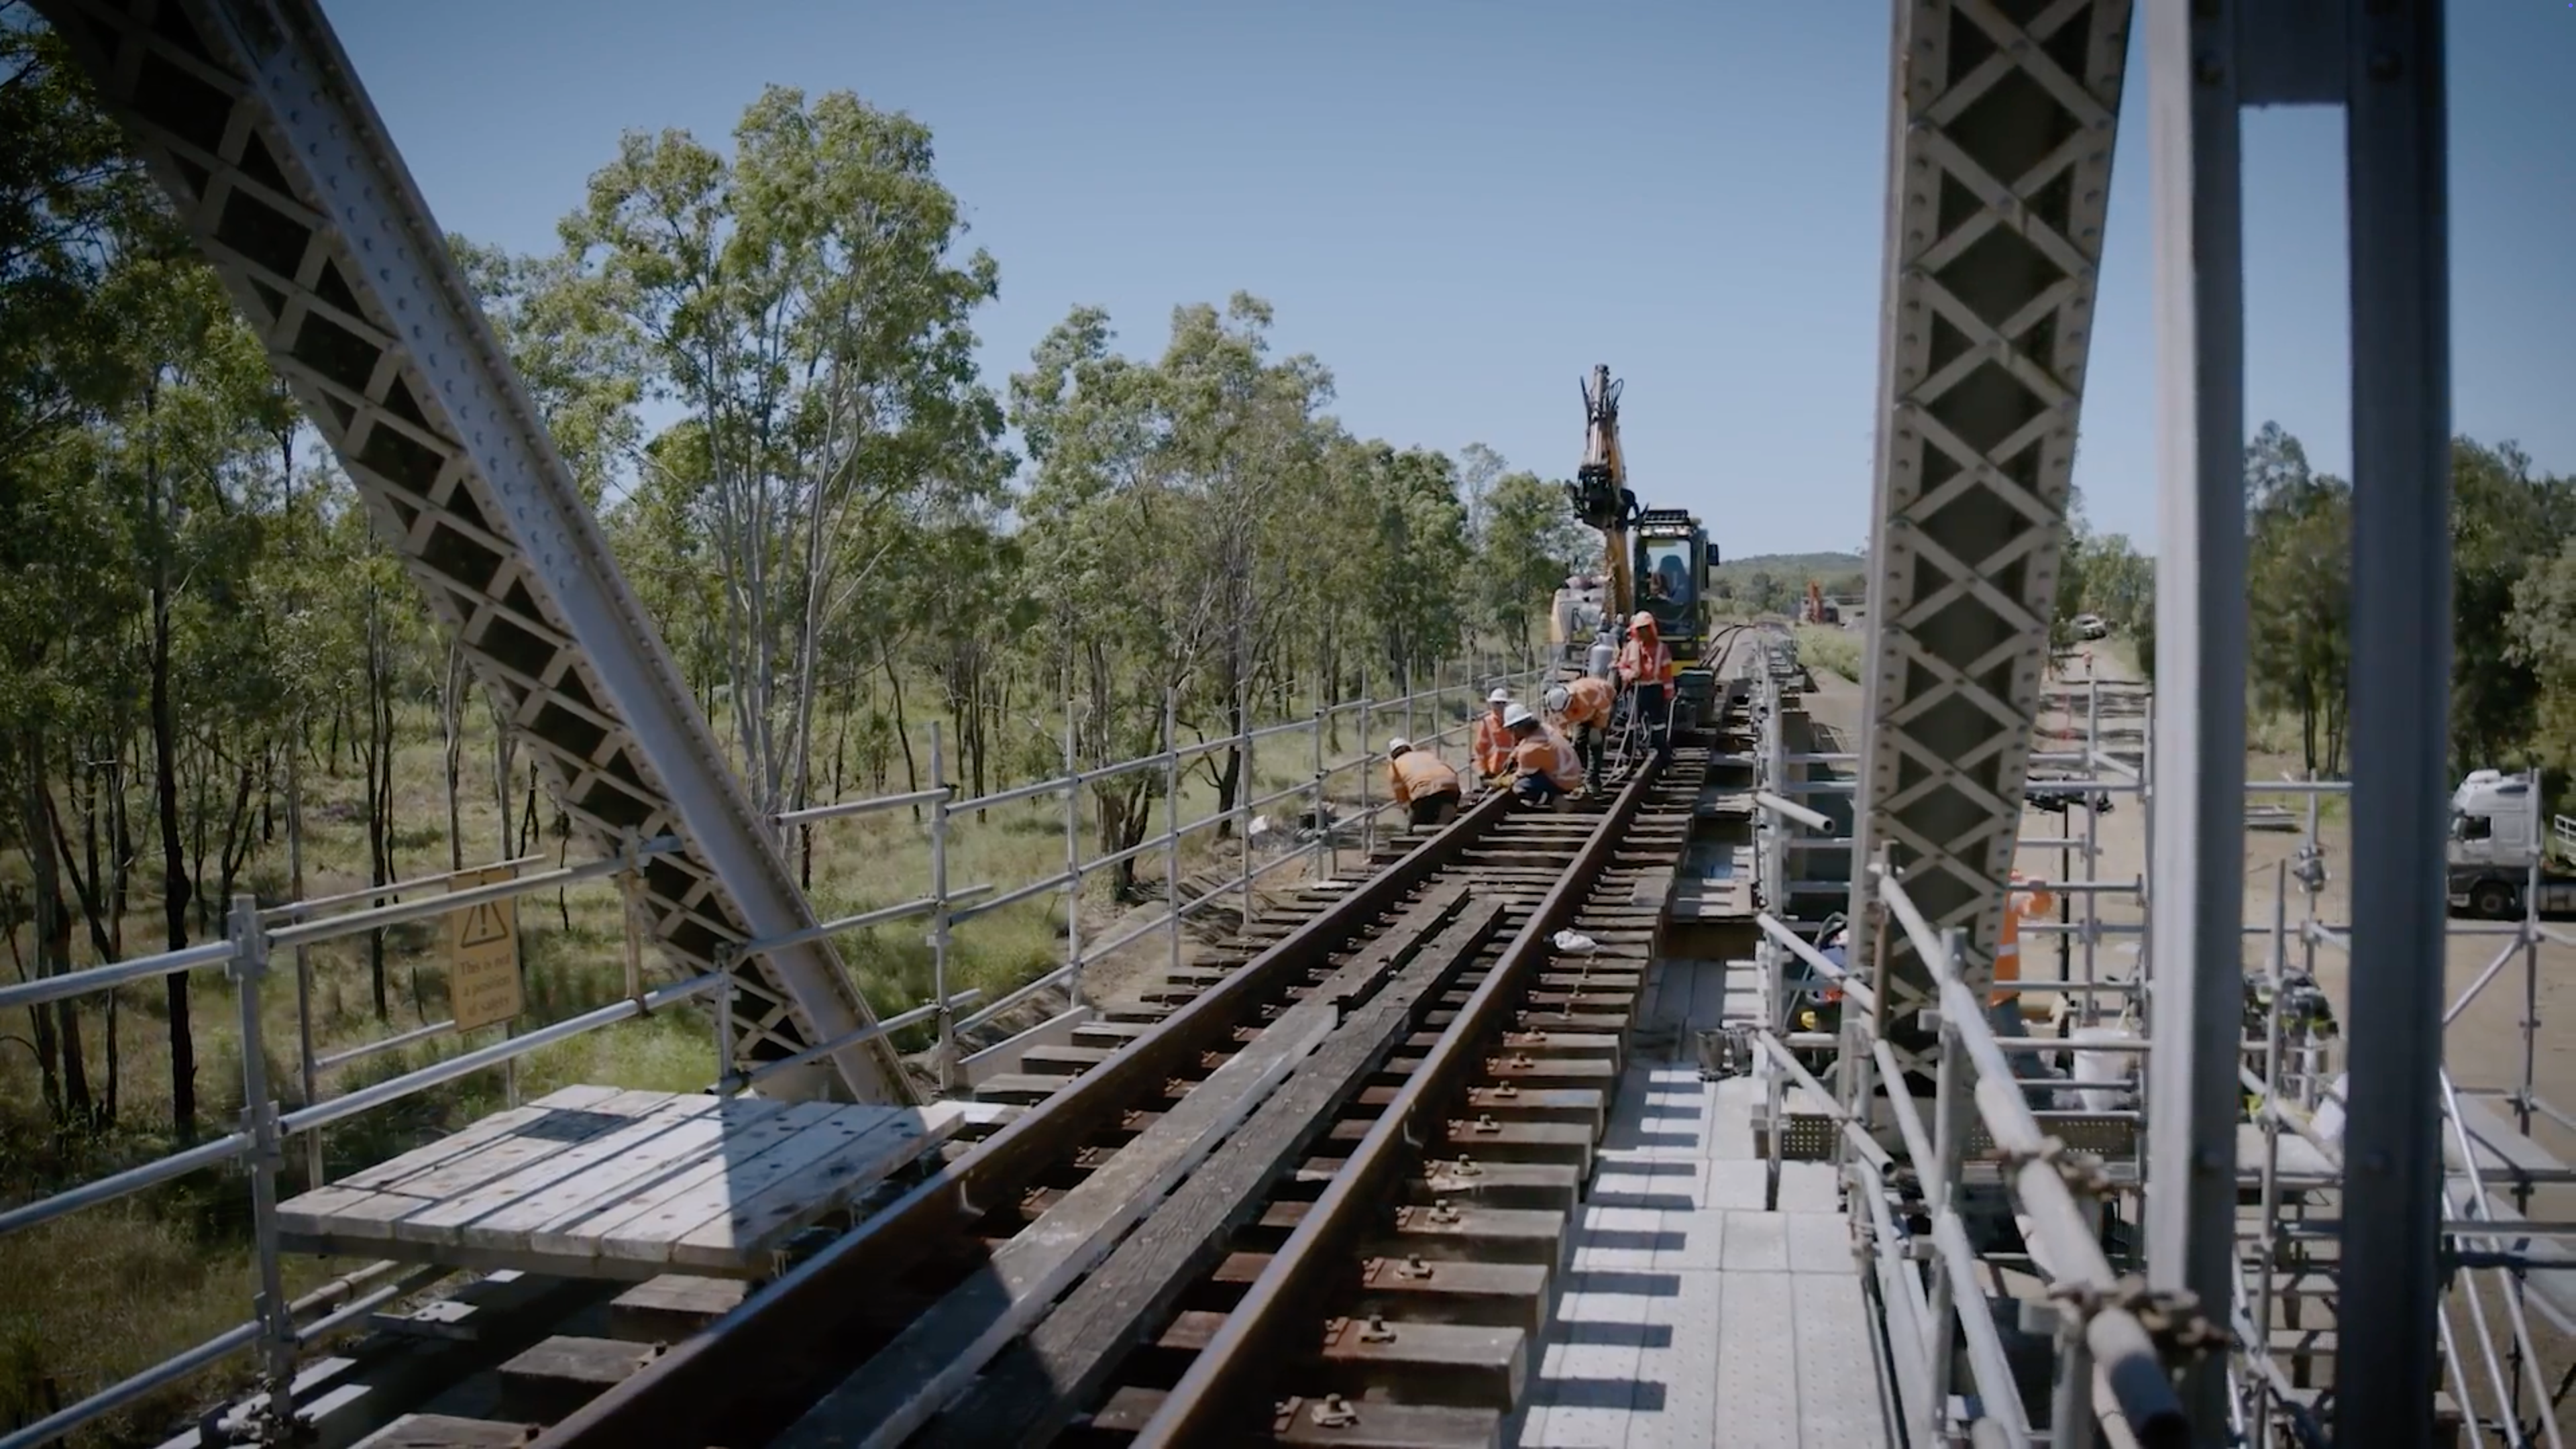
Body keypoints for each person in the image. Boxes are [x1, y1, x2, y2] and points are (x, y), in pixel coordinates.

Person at [1617, 610, 1676, 761]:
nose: (1643, 632)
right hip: (1635, 690)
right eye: (1640, 629)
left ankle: (1665, 761)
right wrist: (1630, 675)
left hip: (1654, 689)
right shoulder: (1631, 647)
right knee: (1631, 725)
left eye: (1646, 628)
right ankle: (1627, 759)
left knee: (1658, 726)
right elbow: (1622, 667)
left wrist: (1669, 694)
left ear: (1652, 629)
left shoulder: (1662, 649)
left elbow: (1667, 674)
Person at [1503, 705, 1581, 809]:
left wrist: (1502, 781)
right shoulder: (1543, 728)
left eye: (1510, 730)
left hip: (1565, 781)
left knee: (1520, 786)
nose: (1511, 734)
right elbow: (1525, 742)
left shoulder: (1529, 751)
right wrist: (1513, 756)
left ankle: (1555, 800)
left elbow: (1519, 776)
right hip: (1572, 773)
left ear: (1517, 728)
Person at [1546, 677, 1615, 794]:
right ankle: (1579, 776)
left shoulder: (1589, 693)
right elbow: (1560, 729)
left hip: (1604, 707)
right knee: (1578, 743)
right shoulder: (1557, 708)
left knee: (1595, 744)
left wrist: (1598, 727)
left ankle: (1593, 781)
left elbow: (1605, 708)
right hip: (1584, 715)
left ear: (1571, 701)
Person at [1384, 737, 1462, 826]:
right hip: (1451, 787)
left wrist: (1409, 813)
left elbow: (1402, 797)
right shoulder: (1426, 755)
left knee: (1416, 830)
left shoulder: (1395, 767)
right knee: (1444, 821)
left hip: (1424, 792)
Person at [1471, 687, 1515, 784]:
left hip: (1511, 772)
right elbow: (1479, 751)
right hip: (1492, 773)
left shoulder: (1513, 723)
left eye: (1503, 703)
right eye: (1497, 703)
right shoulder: (1486, 723)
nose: (1500, 707)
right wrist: (1481, 772)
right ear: (1491, 705)